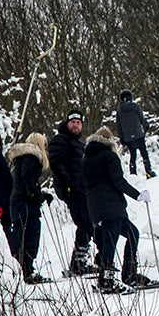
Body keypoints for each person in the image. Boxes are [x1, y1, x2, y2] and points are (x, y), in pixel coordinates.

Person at [82, 126, 152, 291]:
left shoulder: (86, 159)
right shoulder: (109, 156)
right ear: (110, 141)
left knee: (129, 235)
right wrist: (138, 195)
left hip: (96, 209)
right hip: (111, 208)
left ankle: (127, 275)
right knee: (112, 242)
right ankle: (108, 280)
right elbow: (118, 181)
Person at [47, 110, 97, 275]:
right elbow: (55, 162)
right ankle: (78, 263)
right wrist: (67, 183)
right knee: (84, 223)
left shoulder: (79, 144)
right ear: (67, 123)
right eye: (72, 122)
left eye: (78, 123)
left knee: (88, 223)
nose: (75, 125)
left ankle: (80, 261)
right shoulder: (61, 140)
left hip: (82, 190)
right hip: (71, 190)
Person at [6, 132, 54, 283]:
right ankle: (28, 271)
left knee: (23, 238)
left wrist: (39, 194)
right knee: (30, 238)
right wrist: (34, 194)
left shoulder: (20, 159)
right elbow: (27, 178)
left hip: (18, 205)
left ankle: (26, 269)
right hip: (25, 205)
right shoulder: (31, 157)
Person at [116, 90, 155, 178]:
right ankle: (148, 171)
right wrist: (146, 126)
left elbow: (119, 126)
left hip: (127, 137)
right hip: (138, 134)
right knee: (144, 152)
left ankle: (133, 174)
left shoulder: (119, 111)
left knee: (132, 155)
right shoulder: (135, 107)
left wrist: (121, 138)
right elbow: (141, 118)